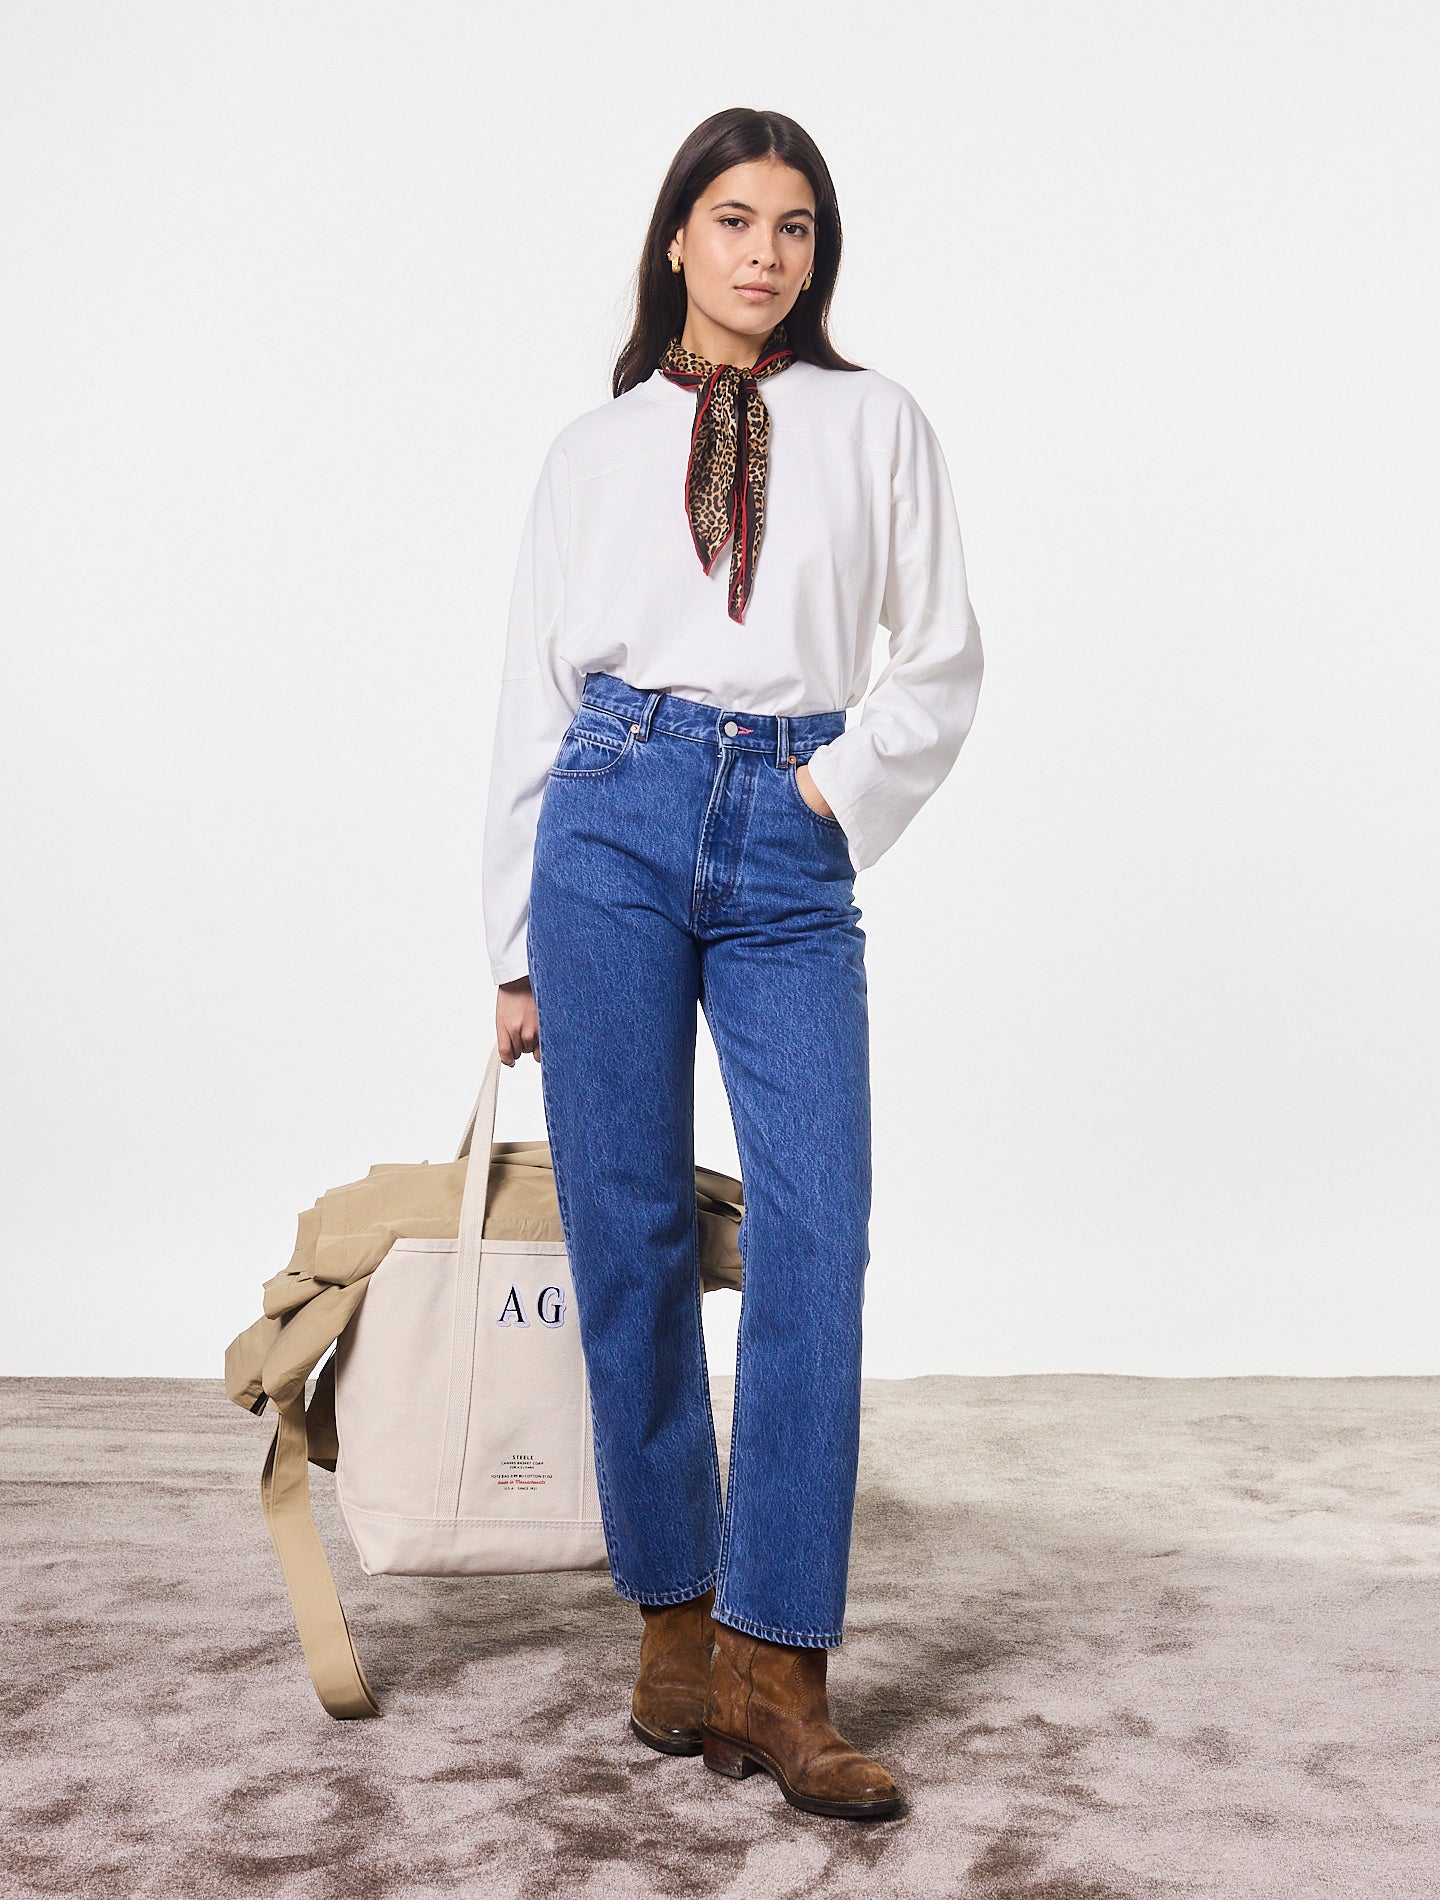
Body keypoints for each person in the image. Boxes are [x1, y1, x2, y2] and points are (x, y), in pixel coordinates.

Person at [481, 106, 984, 1822]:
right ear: (676, 239)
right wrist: (509, 946)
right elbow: (533, 697)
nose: (765, 253)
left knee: (814, 1234)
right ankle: (676, 1630)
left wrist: (835, 790)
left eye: (796, 226)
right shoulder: (592, 450)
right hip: (609, 816)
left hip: (788, 830)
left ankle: (782, 1667)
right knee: (626, 1231)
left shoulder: (875, 421)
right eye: (734, 218)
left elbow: (943, 652)